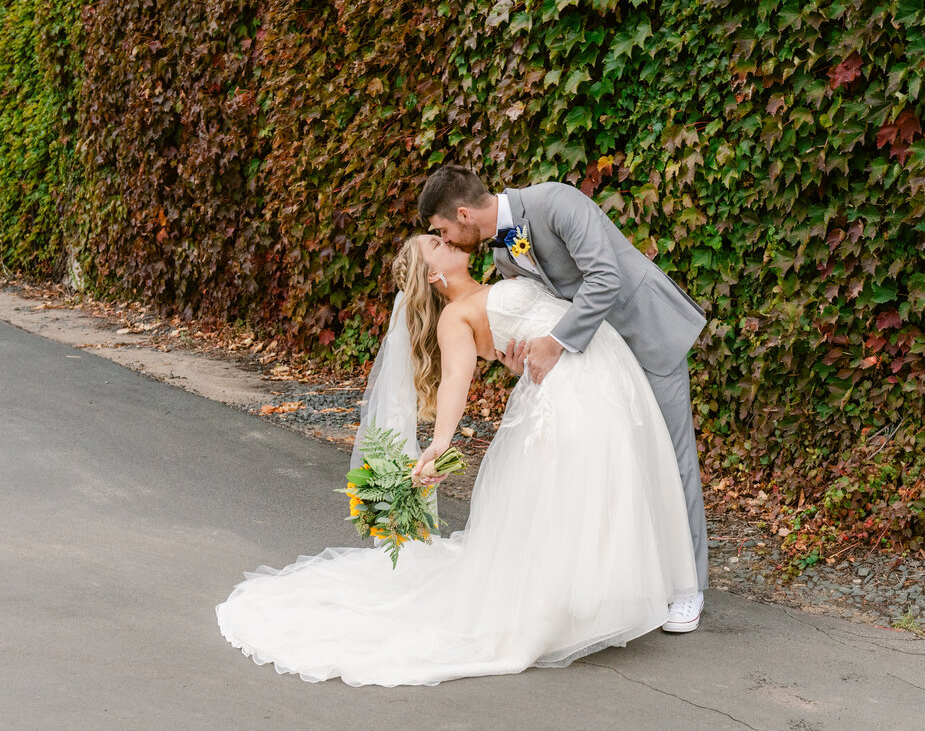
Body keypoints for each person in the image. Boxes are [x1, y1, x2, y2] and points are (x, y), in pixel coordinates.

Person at [215, 235, 699, 686]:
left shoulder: (495, 281)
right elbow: (454, 382)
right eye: (434, 243)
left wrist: (520, 358)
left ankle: (595, 597)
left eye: (441, 234)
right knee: (575, 489)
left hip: (591, 369)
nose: (445, 240)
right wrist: (440, 441)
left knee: (598, 485)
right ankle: (567, 605)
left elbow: (524, 338)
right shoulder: (454, 318)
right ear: (431, 275)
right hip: (571, 389)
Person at [417, 165, 708, 631]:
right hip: (596, 360)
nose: (447, 239)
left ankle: (689, 589)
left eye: (443, 230)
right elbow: (538, 308)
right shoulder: (503, 255)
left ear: (465, 213)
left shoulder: (556, 202)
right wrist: (520, 357)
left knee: (673, 458)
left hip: (644, 332)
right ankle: (641, 578)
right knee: (626, 462)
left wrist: (554, 341)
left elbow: (605, 278)